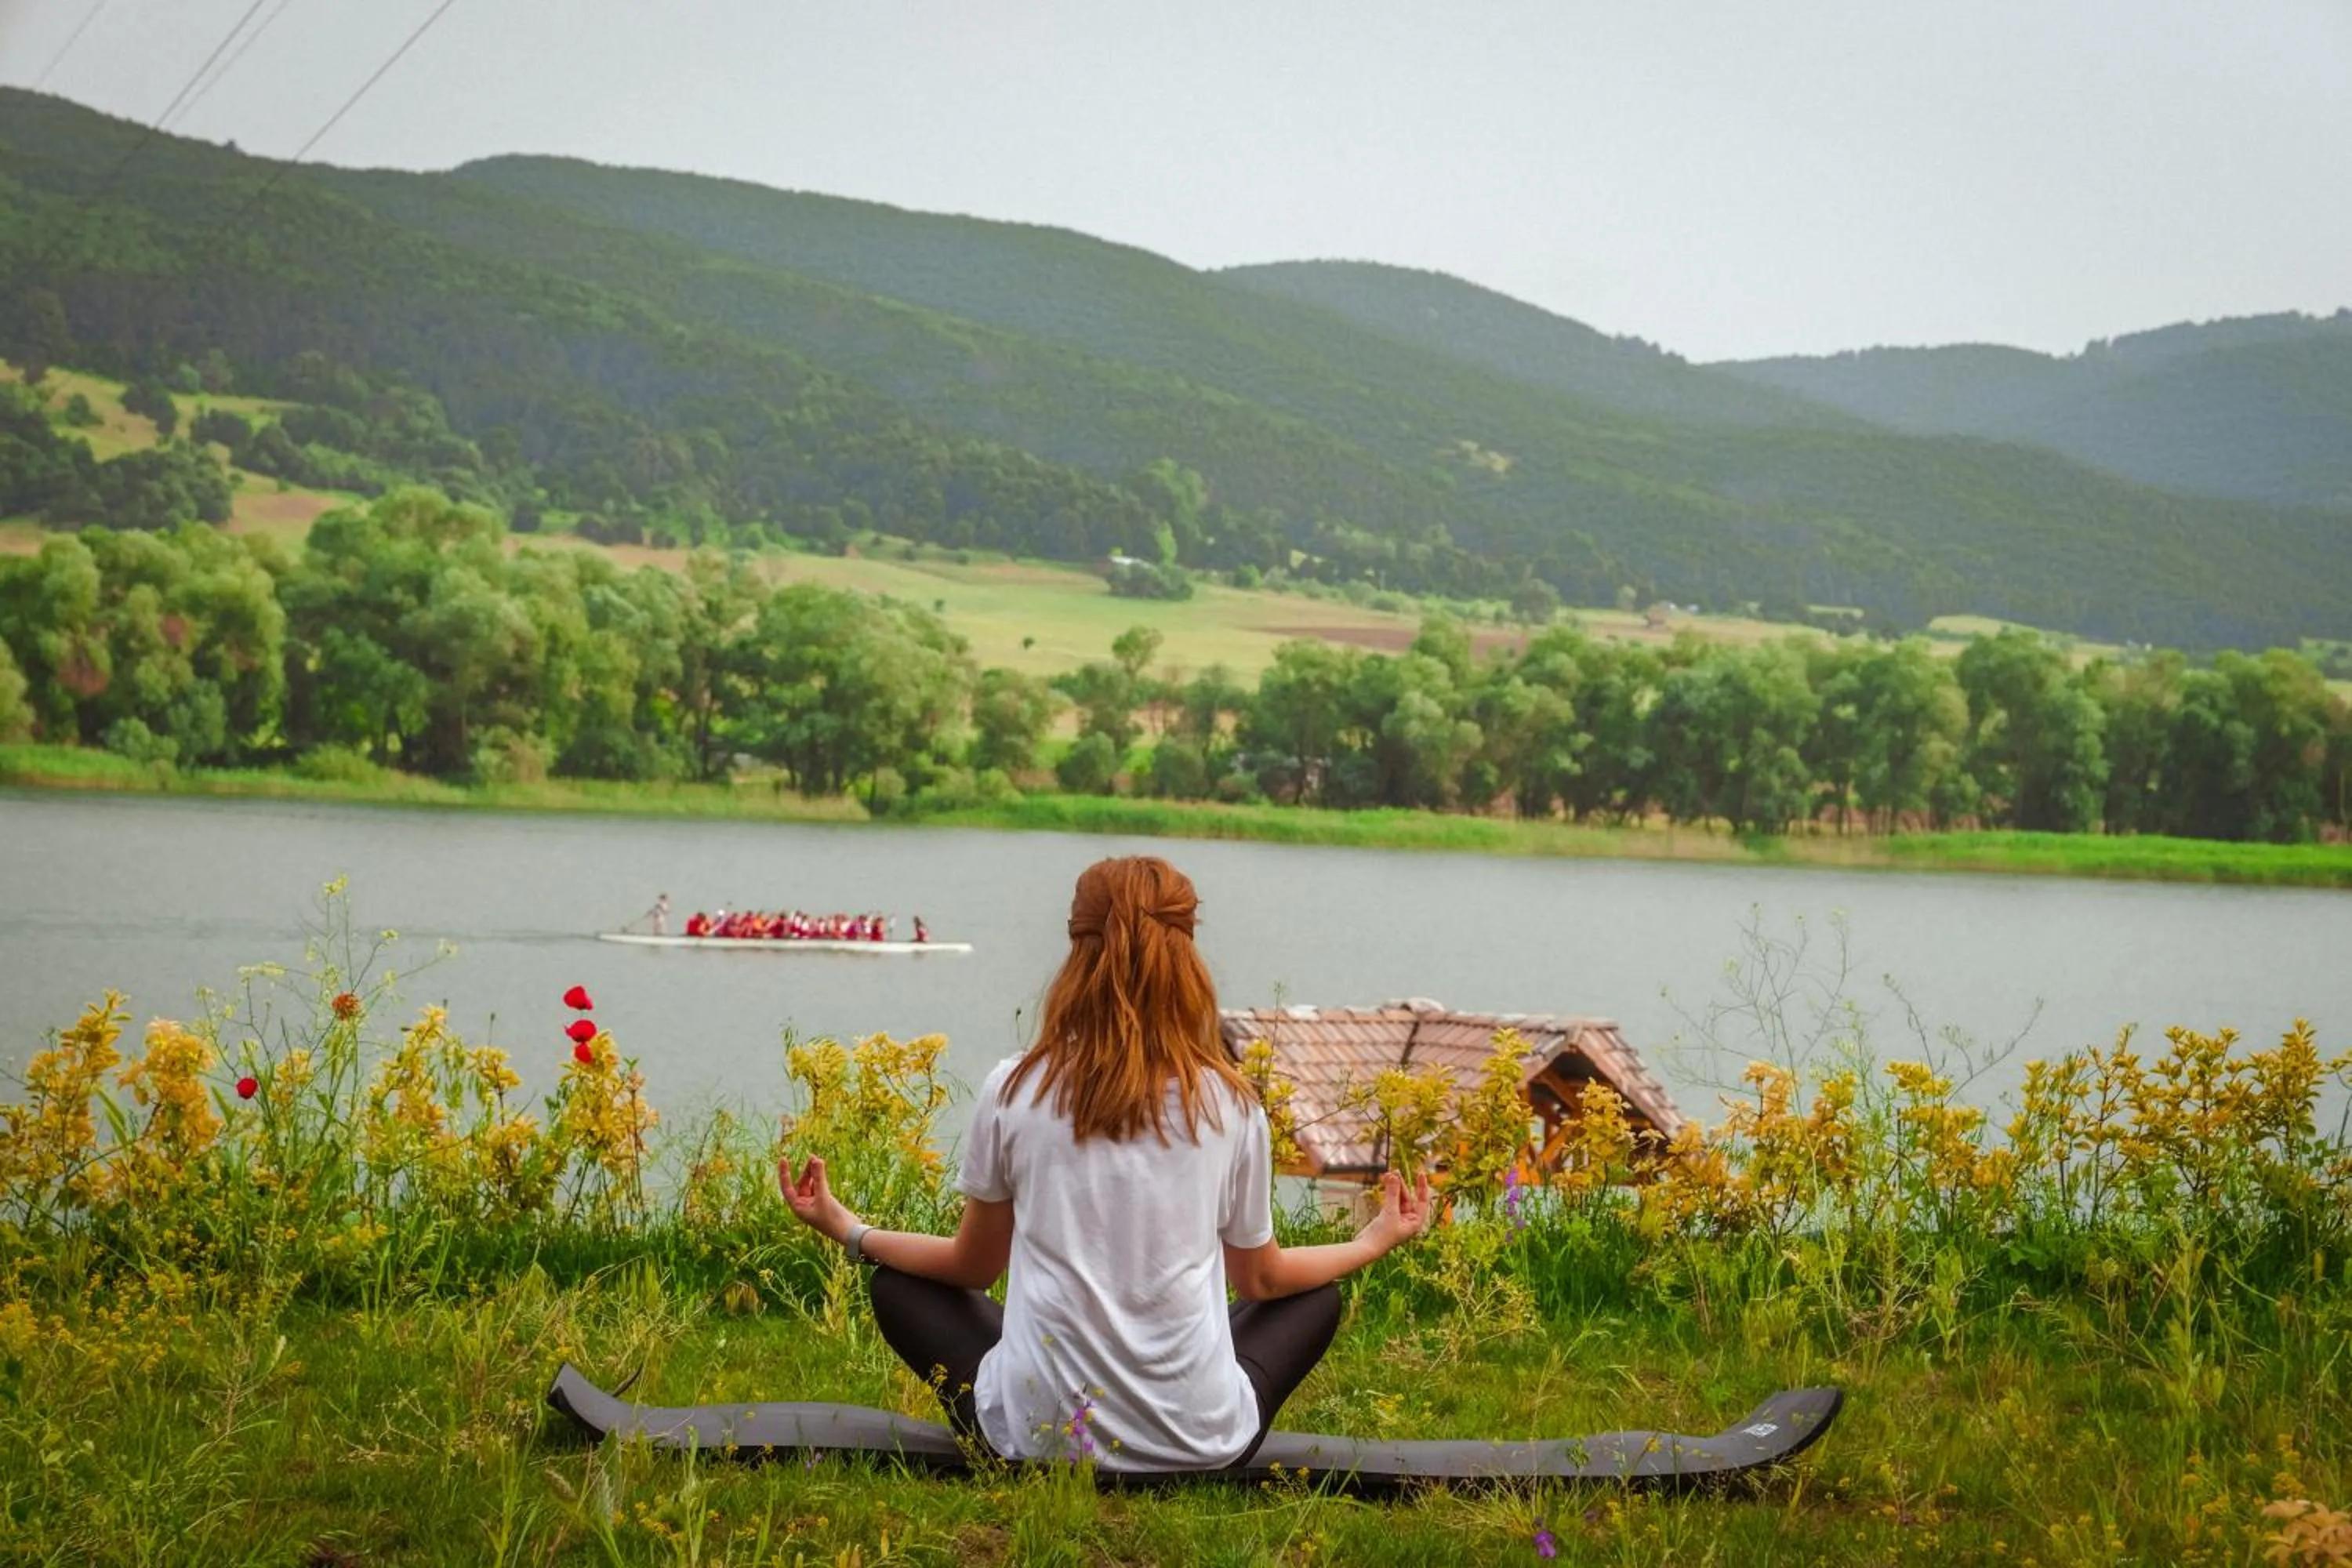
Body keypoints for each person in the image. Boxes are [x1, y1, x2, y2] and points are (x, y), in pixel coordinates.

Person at [779, 855, 1433, 1472]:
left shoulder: (1015, 1088)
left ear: (1076, 952)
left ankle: (1047, 1406)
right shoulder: (1231, 1107)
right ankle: (1173, 1419)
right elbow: (1262, 1281)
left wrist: (849, 1229)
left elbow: (973, 1267)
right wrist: (1372, 1241)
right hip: (1202, 1440)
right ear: (1188, 960)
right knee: (1310, 1297)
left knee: (896, 1284)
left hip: (1038, 1439)